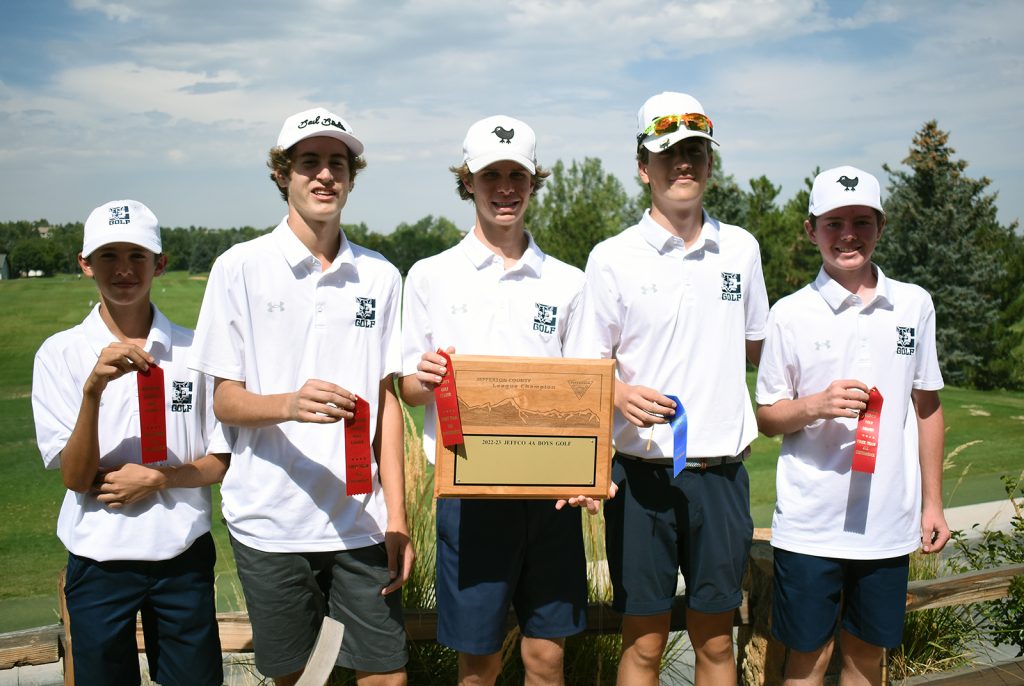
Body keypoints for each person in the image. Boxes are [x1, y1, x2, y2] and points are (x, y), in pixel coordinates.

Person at [189, 107, 413, 686]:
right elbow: (225, 401)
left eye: (336, 164)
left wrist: (399, 515)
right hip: (270, 522)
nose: (324, 176)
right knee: (298, 680)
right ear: (283, 174)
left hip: (360, 522)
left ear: (351, 177)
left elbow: (388, 404)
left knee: (386, 674)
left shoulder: (382, 276)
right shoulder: (238, 268)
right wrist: (289, 403)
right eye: (308, 162)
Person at [564, 91, 769, 685]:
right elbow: (585, 370)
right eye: (668, 154)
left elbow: (757, 347)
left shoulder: (742, 249)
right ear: (642, 165)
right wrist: (619, 394)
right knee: (644, 645)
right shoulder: (611, 258)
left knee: (716, 643)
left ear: (710, 162)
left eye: (696, 152)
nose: (684, 164)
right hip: (641, 476)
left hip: (721, 476)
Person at [400, 115, 588, 685]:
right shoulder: (431, 276)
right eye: (491, 176)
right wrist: (426, 377)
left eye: (517, 175)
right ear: (469, 183)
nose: (505, 188)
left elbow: (583, 393)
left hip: (550, 496)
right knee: (477, 661)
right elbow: (408, 388)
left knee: (546, 658)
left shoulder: (568, 282)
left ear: (534, 182)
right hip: (469, 491)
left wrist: (586, 471)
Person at [755, 166, 949, 685]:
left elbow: (927, 406)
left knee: (867, 658)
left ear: (881, 226)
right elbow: (768, 418)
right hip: (810, 526)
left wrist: (933, 502)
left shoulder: (914, 304)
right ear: (810, 229)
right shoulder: (789, 314)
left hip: (887, 525)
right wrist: (816, 405)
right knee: (808, 660)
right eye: (834, 222)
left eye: (862, 221)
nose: (848, 235)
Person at [31, 199, 230, 686]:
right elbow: (76, 479)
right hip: (99, 558)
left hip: (181, 555)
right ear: (85, 264)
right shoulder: (60, 353)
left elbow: (219, 461)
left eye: (137, 256)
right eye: (108, 256)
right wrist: (92, 390)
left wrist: (158, 479)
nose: (124, 270)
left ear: (159, 263)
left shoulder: (195, 351)